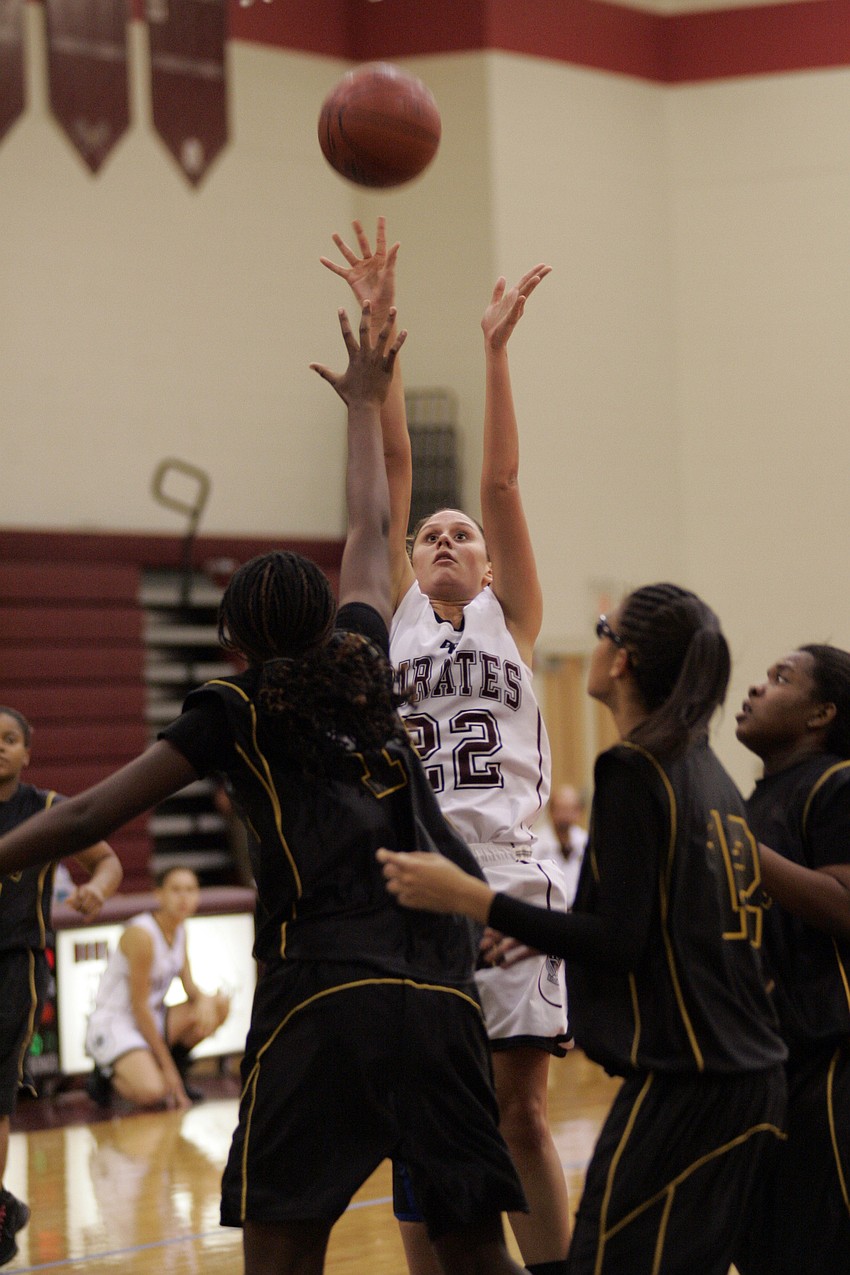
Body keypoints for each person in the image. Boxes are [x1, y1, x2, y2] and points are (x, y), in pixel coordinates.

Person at [0, 304, 530, 1275]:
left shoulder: (235, 708)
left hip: (322, 989)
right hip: (436, 992)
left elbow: (82, 814)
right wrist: (363, 404)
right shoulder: (367, 659)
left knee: (284, 1251)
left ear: (234, 640)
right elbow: (367, 529)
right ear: (327, 620)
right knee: (472, 1250)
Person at [379, 584, 789, 1275]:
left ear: (622, 661)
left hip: (691, 1081)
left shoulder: (633, 768)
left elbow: (620, 943)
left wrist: (477, 900)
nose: (594, 641)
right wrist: (542, 929)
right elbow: (650, 918)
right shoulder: (704, 768)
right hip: (748, 1074)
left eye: (603, 629)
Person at [323, 219, 571, 1275]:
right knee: (417, 1121)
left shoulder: (515, 620)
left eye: (461, 533)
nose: (446, 538)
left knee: (518, 1112)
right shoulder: (392, 622)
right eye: (433, 532)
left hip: (509, 881)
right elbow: (383, 477)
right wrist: (382, 351)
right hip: (411, 886)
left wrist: (495, 351)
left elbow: (505, 485)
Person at [734, 644, 850, 1275]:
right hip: (764, 1064)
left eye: (781, 679)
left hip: (831, 1066)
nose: (756, 688)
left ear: (821, 713)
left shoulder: (838, 783)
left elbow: (843, 902)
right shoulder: (753, 806)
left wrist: (737, 846)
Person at [0, 705, 122, 1266]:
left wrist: (97, 887)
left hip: (14, 965)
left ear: (28, 752)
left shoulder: (47, 808)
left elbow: (108, 862)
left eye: (9, 739)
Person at [85, 864, 231, 1110]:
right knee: (153, 1091)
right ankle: (104, 1075)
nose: (184, 897)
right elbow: (139, 1008)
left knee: (219, 1005)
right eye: (176, 890)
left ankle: (177, 1076)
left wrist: (205, 999)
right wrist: (167, 1070)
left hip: (150, 1016)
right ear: (158, 894)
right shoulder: (142, 935)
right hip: (116, 1022)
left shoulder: (180, 929)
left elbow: (189, 987)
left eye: (190, 890)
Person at [535, 784, 587, 907]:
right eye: (561, 809)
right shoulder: (536, 844)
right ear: (551, 811)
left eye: (571, 809)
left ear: (579, 812)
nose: (566, 815)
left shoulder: (585, 842)